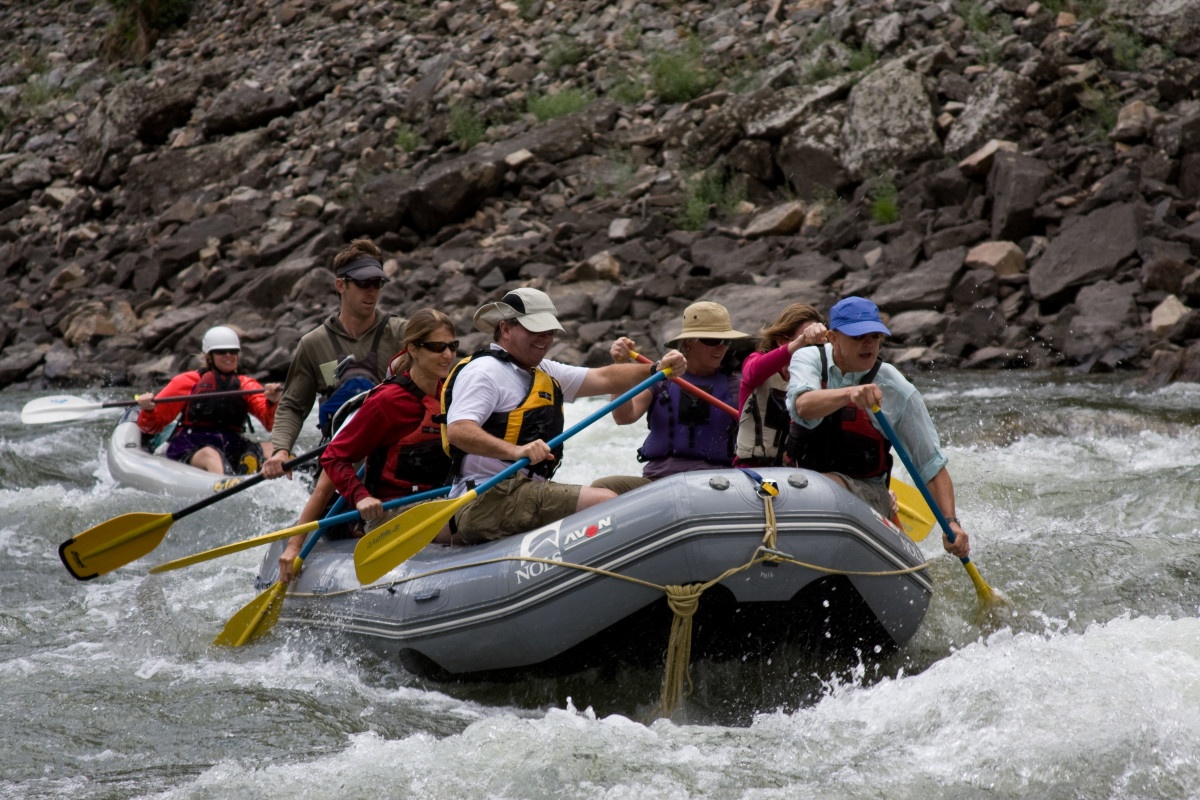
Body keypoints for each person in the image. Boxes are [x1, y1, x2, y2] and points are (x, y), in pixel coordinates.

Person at [442, 287, 687, 544]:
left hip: (519, 491)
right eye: (535, 330)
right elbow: (459, 430)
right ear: (505, 329)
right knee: (606, 501)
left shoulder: (542, 370)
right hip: (490, 495)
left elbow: (604, 378)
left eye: (549, 332)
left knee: (606, 493)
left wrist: (656, 368)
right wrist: (515, 451)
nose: (544, 339)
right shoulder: (484, 371)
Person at [278, 309, 458, 583]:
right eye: (437, 347)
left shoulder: (451, 394)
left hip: (440, 500)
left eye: (452, 346)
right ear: (413, 350)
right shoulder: (386, 403)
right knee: (469, 526)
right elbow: (332, 461)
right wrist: (360, 497)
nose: (448, 355)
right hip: (393, 512)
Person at [785, 296, 971, 559]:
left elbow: (930, 464)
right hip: (799, 481)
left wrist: (951, 522)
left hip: (867, 491)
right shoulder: (808, 358)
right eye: (858, 337)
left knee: (821, 486)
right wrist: (850, 393)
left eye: (875, 336)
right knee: (803, 486)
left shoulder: (896, 387)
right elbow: (803, 405)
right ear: (833, 338)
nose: (869, 344)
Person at [261, 238, 406, 480]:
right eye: (363, 283)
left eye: (378, 283)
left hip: (393, 460)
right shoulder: (313, 344)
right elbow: (293, 406)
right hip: (339, 463)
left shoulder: (402, 334)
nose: (372, 291)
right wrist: (281, 451)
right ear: (341, 285)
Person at [606, 301, 748, 484]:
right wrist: (620, 366)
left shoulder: (738, 386)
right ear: (689, 343)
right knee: (603, 486)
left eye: (726, 341)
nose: (721, 347)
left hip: (718, 483)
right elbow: (623, 417)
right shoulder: (661, 379)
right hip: (659, 481)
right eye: (712, 341)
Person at [135, 325, 283, 475]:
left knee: (274, 449)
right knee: (210, 455)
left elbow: (270, 423)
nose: (228, 355)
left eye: (233, 351)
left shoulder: (246, 385)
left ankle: (287, 478)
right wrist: (148, 410)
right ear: (209, 356)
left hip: (231, 444)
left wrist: (273, 402)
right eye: (221, 352)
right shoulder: (186, 382)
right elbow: (152, 426)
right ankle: (224, 484)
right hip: (191, 444)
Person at [734, 303, 827, 467]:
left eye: (816, 346)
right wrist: (801, 341)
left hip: (798, 474)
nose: (812, 353)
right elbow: (753, 373)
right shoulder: (754, 362)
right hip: (752, 469)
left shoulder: (822, 377)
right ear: (782, 340)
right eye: (807, 345)